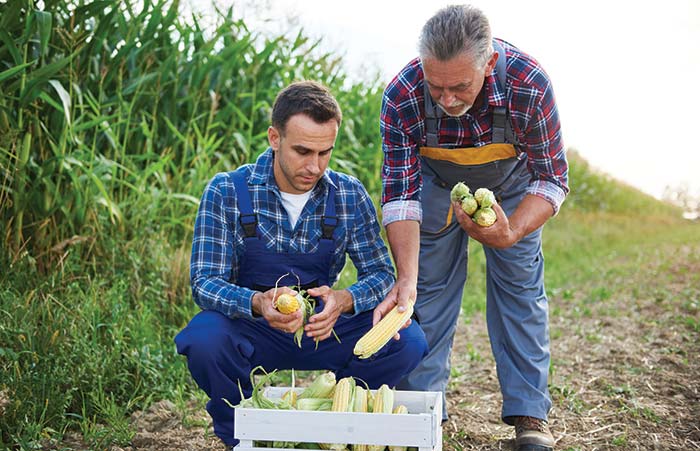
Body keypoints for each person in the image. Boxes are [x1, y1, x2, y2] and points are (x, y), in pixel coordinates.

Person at [174, 81, 428, 449]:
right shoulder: (227, 191)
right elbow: (205, 282)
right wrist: (257, 304)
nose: (314, 166)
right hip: (256, 328)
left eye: (325, 152)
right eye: (303, 151)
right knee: (204, 339)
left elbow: (379, 273)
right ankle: (244, 435)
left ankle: (338, 423)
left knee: (408, 342)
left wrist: (343, 299)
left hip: (323, 329)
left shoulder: (347, 194)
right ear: (274, 138)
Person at [375, 5, 569, 451]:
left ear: (490, 64)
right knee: (426, 293)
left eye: (460, 86)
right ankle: (420, 415)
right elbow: (401, 195)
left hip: (515, 189)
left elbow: (551, 178)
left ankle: (529, 418)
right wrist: (405, 279)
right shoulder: (403, 93)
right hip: (435, 184)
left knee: (519, 291)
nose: (446, 99)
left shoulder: (529, 84)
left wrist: (512, 232)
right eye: (436, 85)